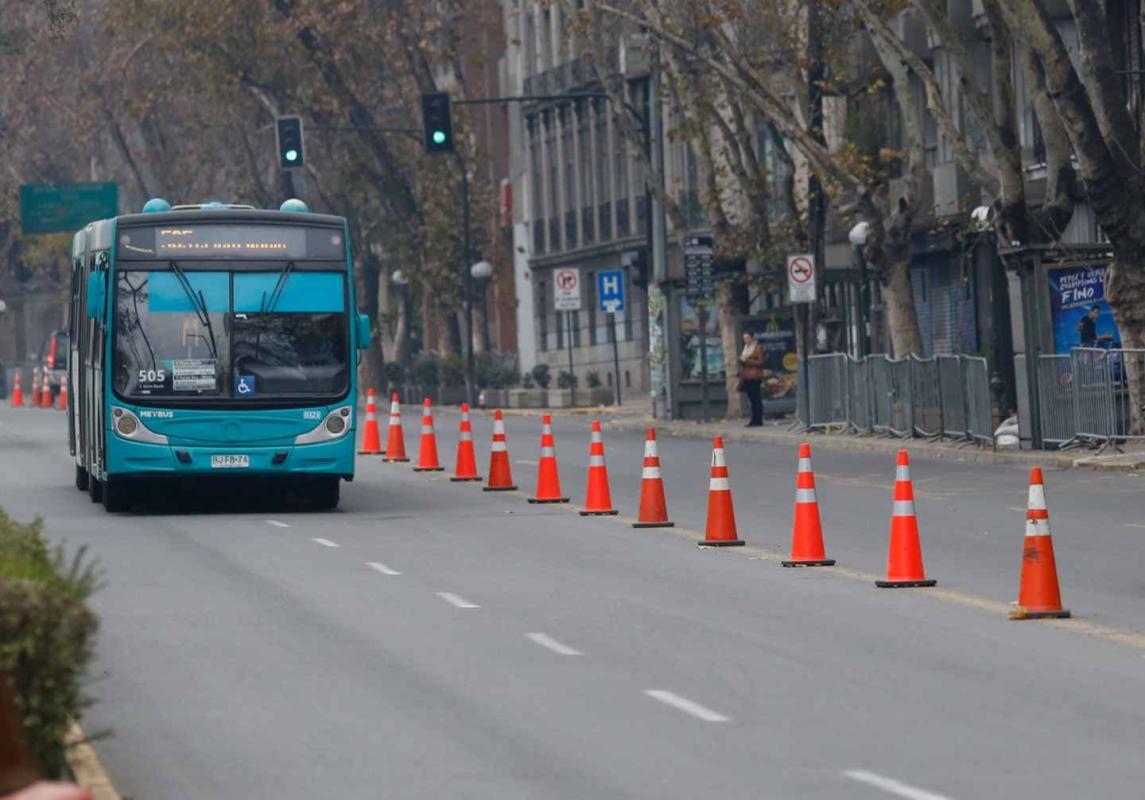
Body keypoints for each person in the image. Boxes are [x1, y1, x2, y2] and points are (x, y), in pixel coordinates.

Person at [738, 332, 765, 427]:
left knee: (756, 398)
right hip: (746, 375)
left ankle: (758, 420)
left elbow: (761, 362)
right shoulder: (745, 348)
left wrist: (747, 361)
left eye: (747, 338)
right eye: (744, 338)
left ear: (752, 338)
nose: (746, 340)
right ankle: (754, 419)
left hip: (755, 375)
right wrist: (741, 360)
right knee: (751, 399)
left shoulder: (758, 347)